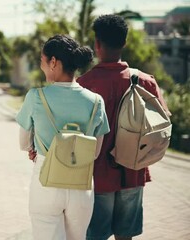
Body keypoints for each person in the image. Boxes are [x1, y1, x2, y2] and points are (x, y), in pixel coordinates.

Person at [77, 14, 170, 240]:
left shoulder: (85, 84)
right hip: (134, 171)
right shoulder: (145, 81)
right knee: (125, 236)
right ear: (125, 43)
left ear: (97, 44)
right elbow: (164, 117)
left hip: (97, 175)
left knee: (95, 235)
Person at [16, 34, 110, 240]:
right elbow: (94, 152)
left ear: (53, 62)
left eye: (42, 61)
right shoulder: (96, 101)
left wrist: (33, 147)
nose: (41, 67)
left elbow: (23, 143)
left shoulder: (36, 97)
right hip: (81, 184)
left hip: (46, 181)